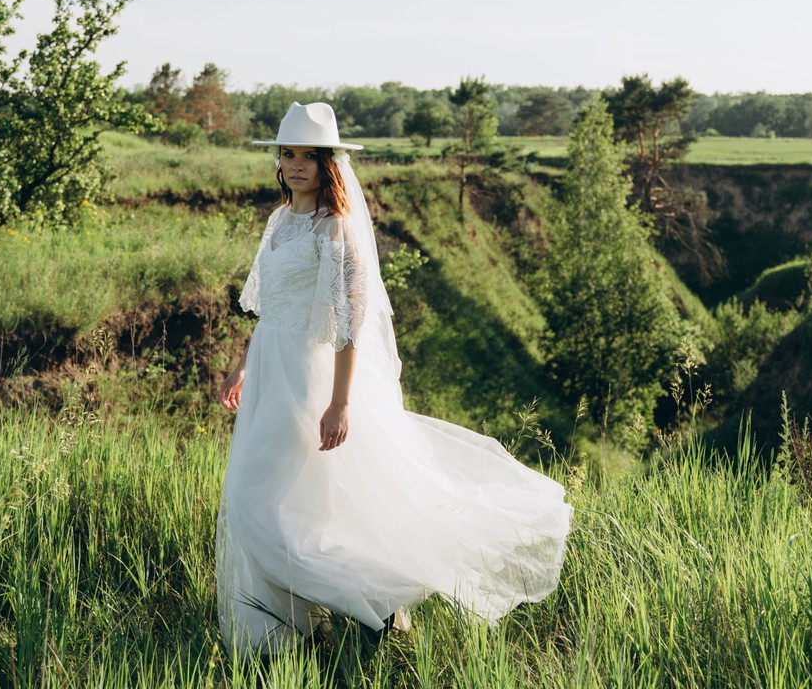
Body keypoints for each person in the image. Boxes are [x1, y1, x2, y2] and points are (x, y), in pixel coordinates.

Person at [216, 101, 571, 653]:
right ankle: (289, 634)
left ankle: (369, 601)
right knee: (288, 504)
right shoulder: (280, 221)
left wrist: (340, 404)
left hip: (305, 379)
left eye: (309, 156)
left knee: (249, 501)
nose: (295, 165)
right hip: (267, 368)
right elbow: (267, 307)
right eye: (288, 154)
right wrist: (242, 366)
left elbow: (351, 323)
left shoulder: (336, 230)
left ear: (329, 163)